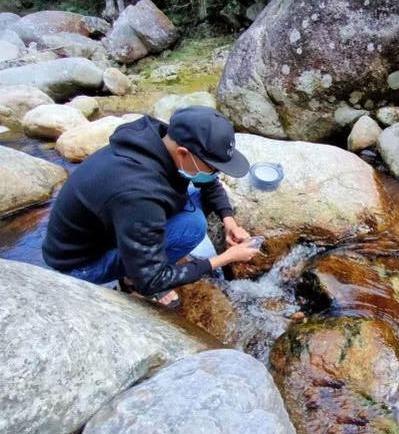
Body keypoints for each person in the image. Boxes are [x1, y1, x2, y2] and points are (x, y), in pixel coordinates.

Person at [42, 105, 259, 306]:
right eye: (213, 167)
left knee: (194, 193)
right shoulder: (139, 193)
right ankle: (130, 281)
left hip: (110, 227)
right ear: (183, 153)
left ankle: (136, 263)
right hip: (81, 265)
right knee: (192, 227)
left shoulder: (162, 138)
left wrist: (228, 220)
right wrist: (226, 258)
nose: (215, 173)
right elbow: (151, 279)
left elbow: (209, 183)